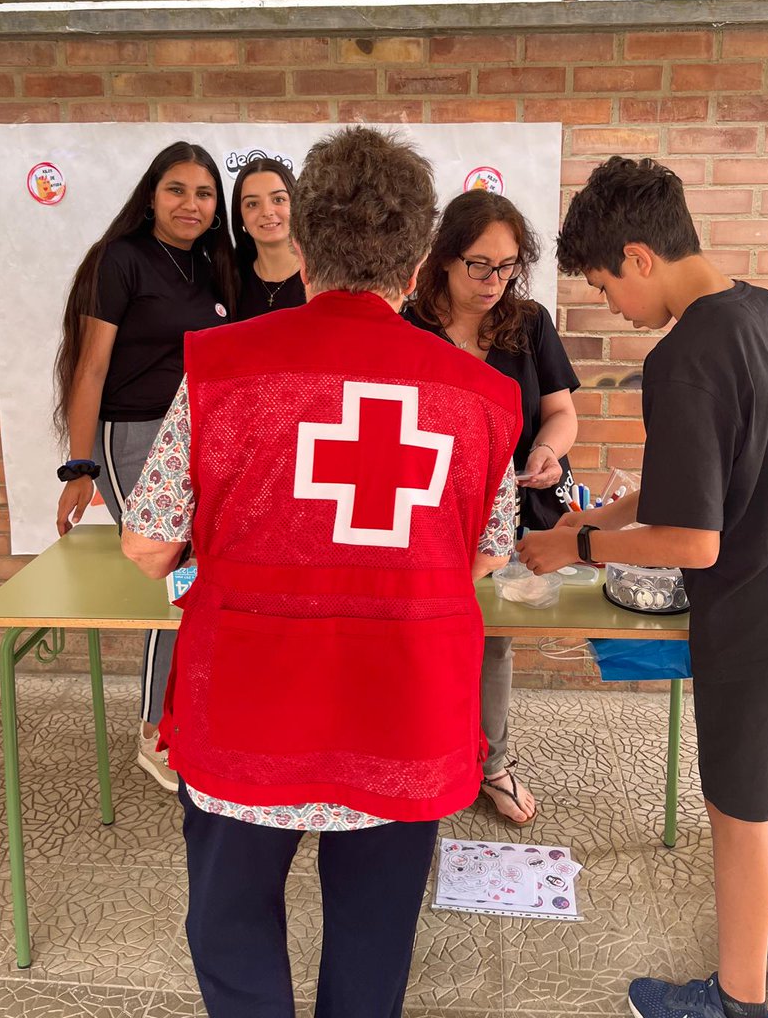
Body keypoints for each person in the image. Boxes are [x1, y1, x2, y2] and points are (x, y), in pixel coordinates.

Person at [121, 126, 522, 1018]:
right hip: (405, 713)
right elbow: (488, 554)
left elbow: (150, 545)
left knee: (230, 927)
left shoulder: (221, 371)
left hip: (249, 708)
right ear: (419, 261)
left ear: (302, 242)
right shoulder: (486, 398)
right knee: (376, 939)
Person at [519, 156, 768, 1018]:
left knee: (740, 814)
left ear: (638, 256)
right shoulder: (762, 309)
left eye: (602, 288)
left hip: (761, 612)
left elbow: (694, 542)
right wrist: (597, 520)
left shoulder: (683, 359)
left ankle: (734, 1001)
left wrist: (580, 546)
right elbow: (695, 483)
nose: (612, 310)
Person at [54, 141, 237, 792]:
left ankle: (194, 712)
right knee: (177, 575)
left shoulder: (216, 267)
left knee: (206, 581)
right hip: (130, 437)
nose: (190, 204)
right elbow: (91, 365)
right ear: (152, 196)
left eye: (204, 193)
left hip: (199, 441)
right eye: (176, 190)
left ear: (218, 209)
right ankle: (155, 731)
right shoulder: (123, 260)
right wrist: (79, 467)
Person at [406, 189, 579, 825]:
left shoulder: (528, 323)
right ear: (444, 259)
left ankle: (492, 763)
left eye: (507, 267)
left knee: (494, 644)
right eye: (479, 265)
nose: (493, 281)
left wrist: (546, 450)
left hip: (511, 514)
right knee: (420, 640)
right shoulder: (409, 324)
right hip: (425, 515)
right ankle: (419, 755)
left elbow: (562, 413)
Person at [231, 156, 306, 320]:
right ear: (240, 216)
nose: (267, 211)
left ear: (297, 205)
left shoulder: (323, 277)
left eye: (278, 199)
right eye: (252, 204)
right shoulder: (230, 280)